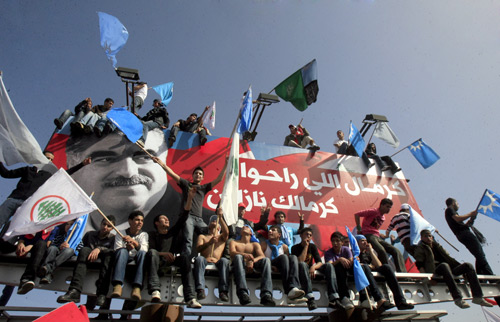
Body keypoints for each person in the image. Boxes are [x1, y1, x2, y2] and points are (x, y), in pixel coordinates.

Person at [66, 128, 168, 229]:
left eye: (144, 157)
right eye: (106, 159)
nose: (128, 172)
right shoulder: (63, 218)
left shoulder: (178, 220)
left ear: (165, 160)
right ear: (72, 164)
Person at [151, 155, 227, 256]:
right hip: (188, 218)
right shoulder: (187, 184)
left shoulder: (204, 187)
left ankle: (209, 255)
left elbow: (219, 179)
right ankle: (185, 258)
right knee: (188, 239)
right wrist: (161, 164)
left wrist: (226, 164)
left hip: (199, 220)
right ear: (193, 176)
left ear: (202, 177)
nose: (198, 175)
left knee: (210, 231)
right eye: (196, 173)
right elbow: (172, 174)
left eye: (200, 174)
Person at [146, 185, 201, 308]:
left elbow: (184, 217)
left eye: (167, 219)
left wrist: (190, 199)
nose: (166, 220)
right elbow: (149, 251)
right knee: (153, 253)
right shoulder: (151, 235)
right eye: (163, 219)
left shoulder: (172, 233)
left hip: (171, 261)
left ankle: (190, 297)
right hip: (157, 262)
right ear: (156, 223)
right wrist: (163, 254)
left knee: (185, 259)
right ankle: (155, 290)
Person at [414, 230, 493, 309]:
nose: (428, 238)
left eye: (430, 236)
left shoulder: (437, 246)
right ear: (421, 238)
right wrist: (427, 278)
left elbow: (448, 257)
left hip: (449, 270)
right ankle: (458, 298)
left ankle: (477, 296)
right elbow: (419, 264)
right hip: (436, 271)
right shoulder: (421, 247)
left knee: (468, 266)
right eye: (426, 236)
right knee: (444, 265)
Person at [57, 216, 116, 306]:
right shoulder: (90, 234)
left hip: (103, 264)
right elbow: (80, 247)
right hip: (86, 262)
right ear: (100, 224)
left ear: (112, 228)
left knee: (108, 256)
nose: (105, 227)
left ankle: (101, 294)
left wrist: (99, 249)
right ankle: (75, 291)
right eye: (104, 224)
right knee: (84, 250)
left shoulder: (113, 238)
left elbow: (113, 251)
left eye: (109, 226)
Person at [356, 234, 414, 310]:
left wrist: (370, 251)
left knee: (386, 267)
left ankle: (400, 301)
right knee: (366, 267)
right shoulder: (354, 253)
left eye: (366, 241)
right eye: (362, 241)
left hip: (373, 274)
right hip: (365, 277)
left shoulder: (368, 253)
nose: (365, 243)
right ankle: (379, 300)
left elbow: (378, 265)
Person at [354, 198, 407, 272]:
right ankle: (386, 271)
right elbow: (357, 214)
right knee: (381, 250)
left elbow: (375, 228)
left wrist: (383, 235)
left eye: (390, 207)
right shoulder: (373, 211)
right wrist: (359, 229)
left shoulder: (383, 218)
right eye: (387, 206)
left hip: (376, 236)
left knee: (396, 251)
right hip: (368, 235)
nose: (388, 209)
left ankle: (403, 273)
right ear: (381, 205)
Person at [444, 198, 493, 275]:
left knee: (478, 255)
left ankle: (481, 278)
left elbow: (462, 224)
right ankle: (491, 277)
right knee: (480, 254)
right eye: (457, 203)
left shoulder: (449, 212)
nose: (458, 205)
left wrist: (471, 220)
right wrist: (471, 213)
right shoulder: (450, 210)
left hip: (462, 235)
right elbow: (457, 219)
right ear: (453, 203)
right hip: (465, 234)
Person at [229, 225, 275, 306]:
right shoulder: (234, 242)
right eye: (243, 227)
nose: (244, 227)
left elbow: (262, 256)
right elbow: (232, 253)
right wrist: (245, 255)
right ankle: (242, 293)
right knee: (238, 257)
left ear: (251, 233)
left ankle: (266, 294)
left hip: (252, 264)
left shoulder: (255, 244)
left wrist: (252, 261)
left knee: (266, 260)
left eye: (247, 227)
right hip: (239, 264)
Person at [260, 225, 306, 302]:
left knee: (293, 257)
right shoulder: (264, 244)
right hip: (270, 264)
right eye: (269, 230)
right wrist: (270, 266)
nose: (270, 231)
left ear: (279, 235)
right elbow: (261, 258)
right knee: (284, 257)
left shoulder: (284, 247)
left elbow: (288, 263)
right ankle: (288, 291)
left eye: (273, 230)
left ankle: (294, 287)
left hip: (282, 266)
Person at [194, 207, 230, 302]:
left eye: (216, 221)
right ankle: (200, 289)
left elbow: (227, 232)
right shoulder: (203, 237)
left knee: (225, 261)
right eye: (212, 221)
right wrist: (209, 243)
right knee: (199, 259)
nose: (214, 221)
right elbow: (198, 248)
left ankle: (223, 291)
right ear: (209, 225)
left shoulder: (221, 238)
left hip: (217, 261)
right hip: (205, 260)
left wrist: (220, 217)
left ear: (219, 227)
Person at [111, 211, 148, 301]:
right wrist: (127, 248)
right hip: (124, 258)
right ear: (130, 221)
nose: (140, 222)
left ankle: (137, 287)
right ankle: (118, 285)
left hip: (136, 259)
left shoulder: (144, 235)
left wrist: (135, 243)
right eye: (137, 220)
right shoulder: (121, 233)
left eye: (142, 221)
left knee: (142, 254)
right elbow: (117, 248)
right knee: (122, 251)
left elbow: (144, 249)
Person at [37, 220, 78, 284]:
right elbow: (52, 245)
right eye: (67, 224)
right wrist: (60, 246)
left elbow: (79, 251)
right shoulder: (59, 236)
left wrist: (70, 247)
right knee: (52, 248)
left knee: (69, 250)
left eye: (71, 224)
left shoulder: (77, 239)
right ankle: (47, 273)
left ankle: (47, 268)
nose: (68, 226)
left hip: (67, 256)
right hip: (58, 254)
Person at [291, 227, 321, 311]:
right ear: (301, 235)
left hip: (308, 270)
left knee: (305, 266)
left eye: (310, 235)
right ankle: (310, 297)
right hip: (299, 270)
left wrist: (313, 267)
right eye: (306, 234)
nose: (308, 237)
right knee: (303, 264)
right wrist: (305, 247)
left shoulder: (313, 247)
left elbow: (319, 262)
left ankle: (310, 299)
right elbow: (300, 261)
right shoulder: (295, 248)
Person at [323, 232, 354, 310]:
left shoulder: (346, 249)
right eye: (333, 241)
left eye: (337, 241)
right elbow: (330, 265)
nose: (335, 243)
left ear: (342, 242)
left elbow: (350, 261)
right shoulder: (328, 253)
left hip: (347, 271)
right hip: (336, 274)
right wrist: (340, 260)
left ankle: (367, 296)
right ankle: (343, 297)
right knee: (339, 267)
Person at [16, 230, 52, 294]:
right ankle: (24, 282)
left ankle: (26, 279)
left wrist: (31, 246)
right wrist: (21, 243)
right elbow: (25, 231)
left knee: (41, 244)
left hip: (40, 248)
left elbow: (49, 243)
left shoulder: (55, 227)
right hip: (25, 245)